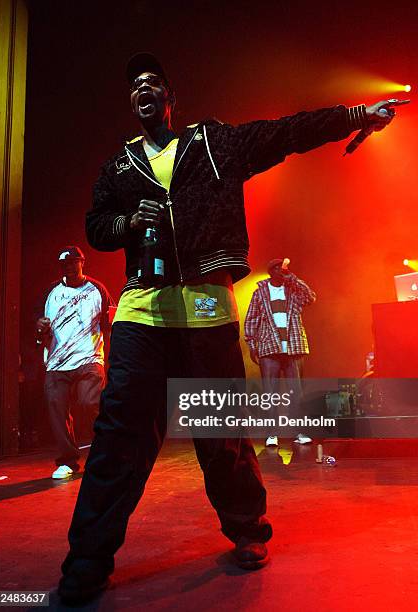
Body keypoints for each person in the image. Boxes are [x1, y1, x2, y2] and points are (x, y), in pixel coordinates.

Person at [57, 51, 405, 602]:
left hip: (205, 312)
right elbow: (97, 226)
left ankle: (247, 530)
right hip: (141, 314)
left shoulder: (213, 145)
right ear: (133, 104)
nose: (142, 91)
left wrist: (357, 114)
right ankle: (86, 560)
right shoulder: (120, 166)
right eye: (134, 87)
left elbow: (286, 132)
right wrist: (127, 222)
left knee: (220, 434)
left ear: (170, 98)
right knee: (119, 438)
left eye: (153, 83)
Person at [36, 246, 112, 479]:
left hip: (89, 358)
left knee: (91, 404)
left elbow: (112, 321)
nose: (69, 267)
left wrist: (112, 355)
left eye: (72, 262)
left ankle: (105, 456)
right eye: (64, 264)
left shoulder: (97, 289)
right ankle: (67, 461)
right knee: (57, 410)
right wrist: (40, 331)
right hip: (57, 362)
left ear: (82, 262)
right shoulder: (52, 291)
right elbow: (41, 327)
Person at [245, 258, 315, 447]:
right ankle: (272, 434)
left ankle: (299, 432)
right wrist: (252, 344)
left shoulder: (292, 289)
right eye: (277, 268)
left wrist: (292, 277)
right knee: (270, 394)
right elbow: (251, 318)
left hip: (293, 347)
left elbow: (310, 297)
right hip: (270, 348)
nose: (280, 271)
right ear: (270, 271)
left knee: (296, 393)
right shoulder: (260, 292)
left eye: (282, 269)